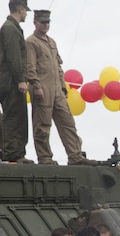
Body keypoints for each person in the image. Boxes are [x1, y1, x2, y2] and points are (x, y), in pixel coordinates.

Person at [25, 10, 95, 166]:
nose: (46, 25)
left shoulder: (52, 42)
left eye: (48, 22)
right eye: (43, 22)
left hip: (57, 88)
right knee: (42, 124)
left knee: (67, 122)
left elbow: (58, 66)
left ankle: (75, 155)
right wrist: (36, 85)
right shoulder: (31, 42)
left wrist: (63, 87)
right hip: (42, 87)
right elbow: (30, 66)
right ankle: (45, 157)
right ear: (35, 22)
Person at [0, 0, 31, 163]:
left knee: (18, 118)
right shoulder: (10, 28)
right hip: (11, 81)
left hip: (10, 80)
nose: (26, 14)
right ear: (20, 9)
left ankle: (17, 153)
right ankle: (14, 155)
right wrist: (20, 80)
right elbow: (13, 56)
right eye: (25, 11)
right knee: (14, 119)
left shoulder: (12, 28)